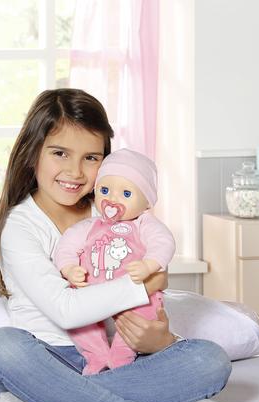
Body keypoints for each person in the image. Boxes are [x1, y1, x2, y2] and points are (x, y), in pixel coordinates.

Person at [0, 88, 235, 402]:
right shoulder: (20, 227)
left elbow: (152, 263)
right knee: (1, 347)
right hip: (49, 360)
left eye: (91, 157)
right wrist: (143, 285)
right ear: (32, 152)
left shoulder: (114, 209)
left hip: (121, 360)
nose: (75, 171)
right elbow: (66, 310)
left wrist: (161, 341)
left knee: (210, 361)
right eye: (59, 153)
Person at [54, 148, 175, 375]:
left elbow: (164, 242)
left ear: (146, 203)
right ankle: (97, 359)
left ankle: (121, 361)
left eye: (126, 194)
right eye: (105, 190)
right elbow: (66, 246)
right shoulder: (90, 226)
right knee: (80, 323)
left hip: (137, 293)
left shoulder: (144, 223)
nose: (112, 199)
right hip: (91, 295)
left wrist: (149, 265)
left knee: (141, 319)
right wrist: (69, 268)